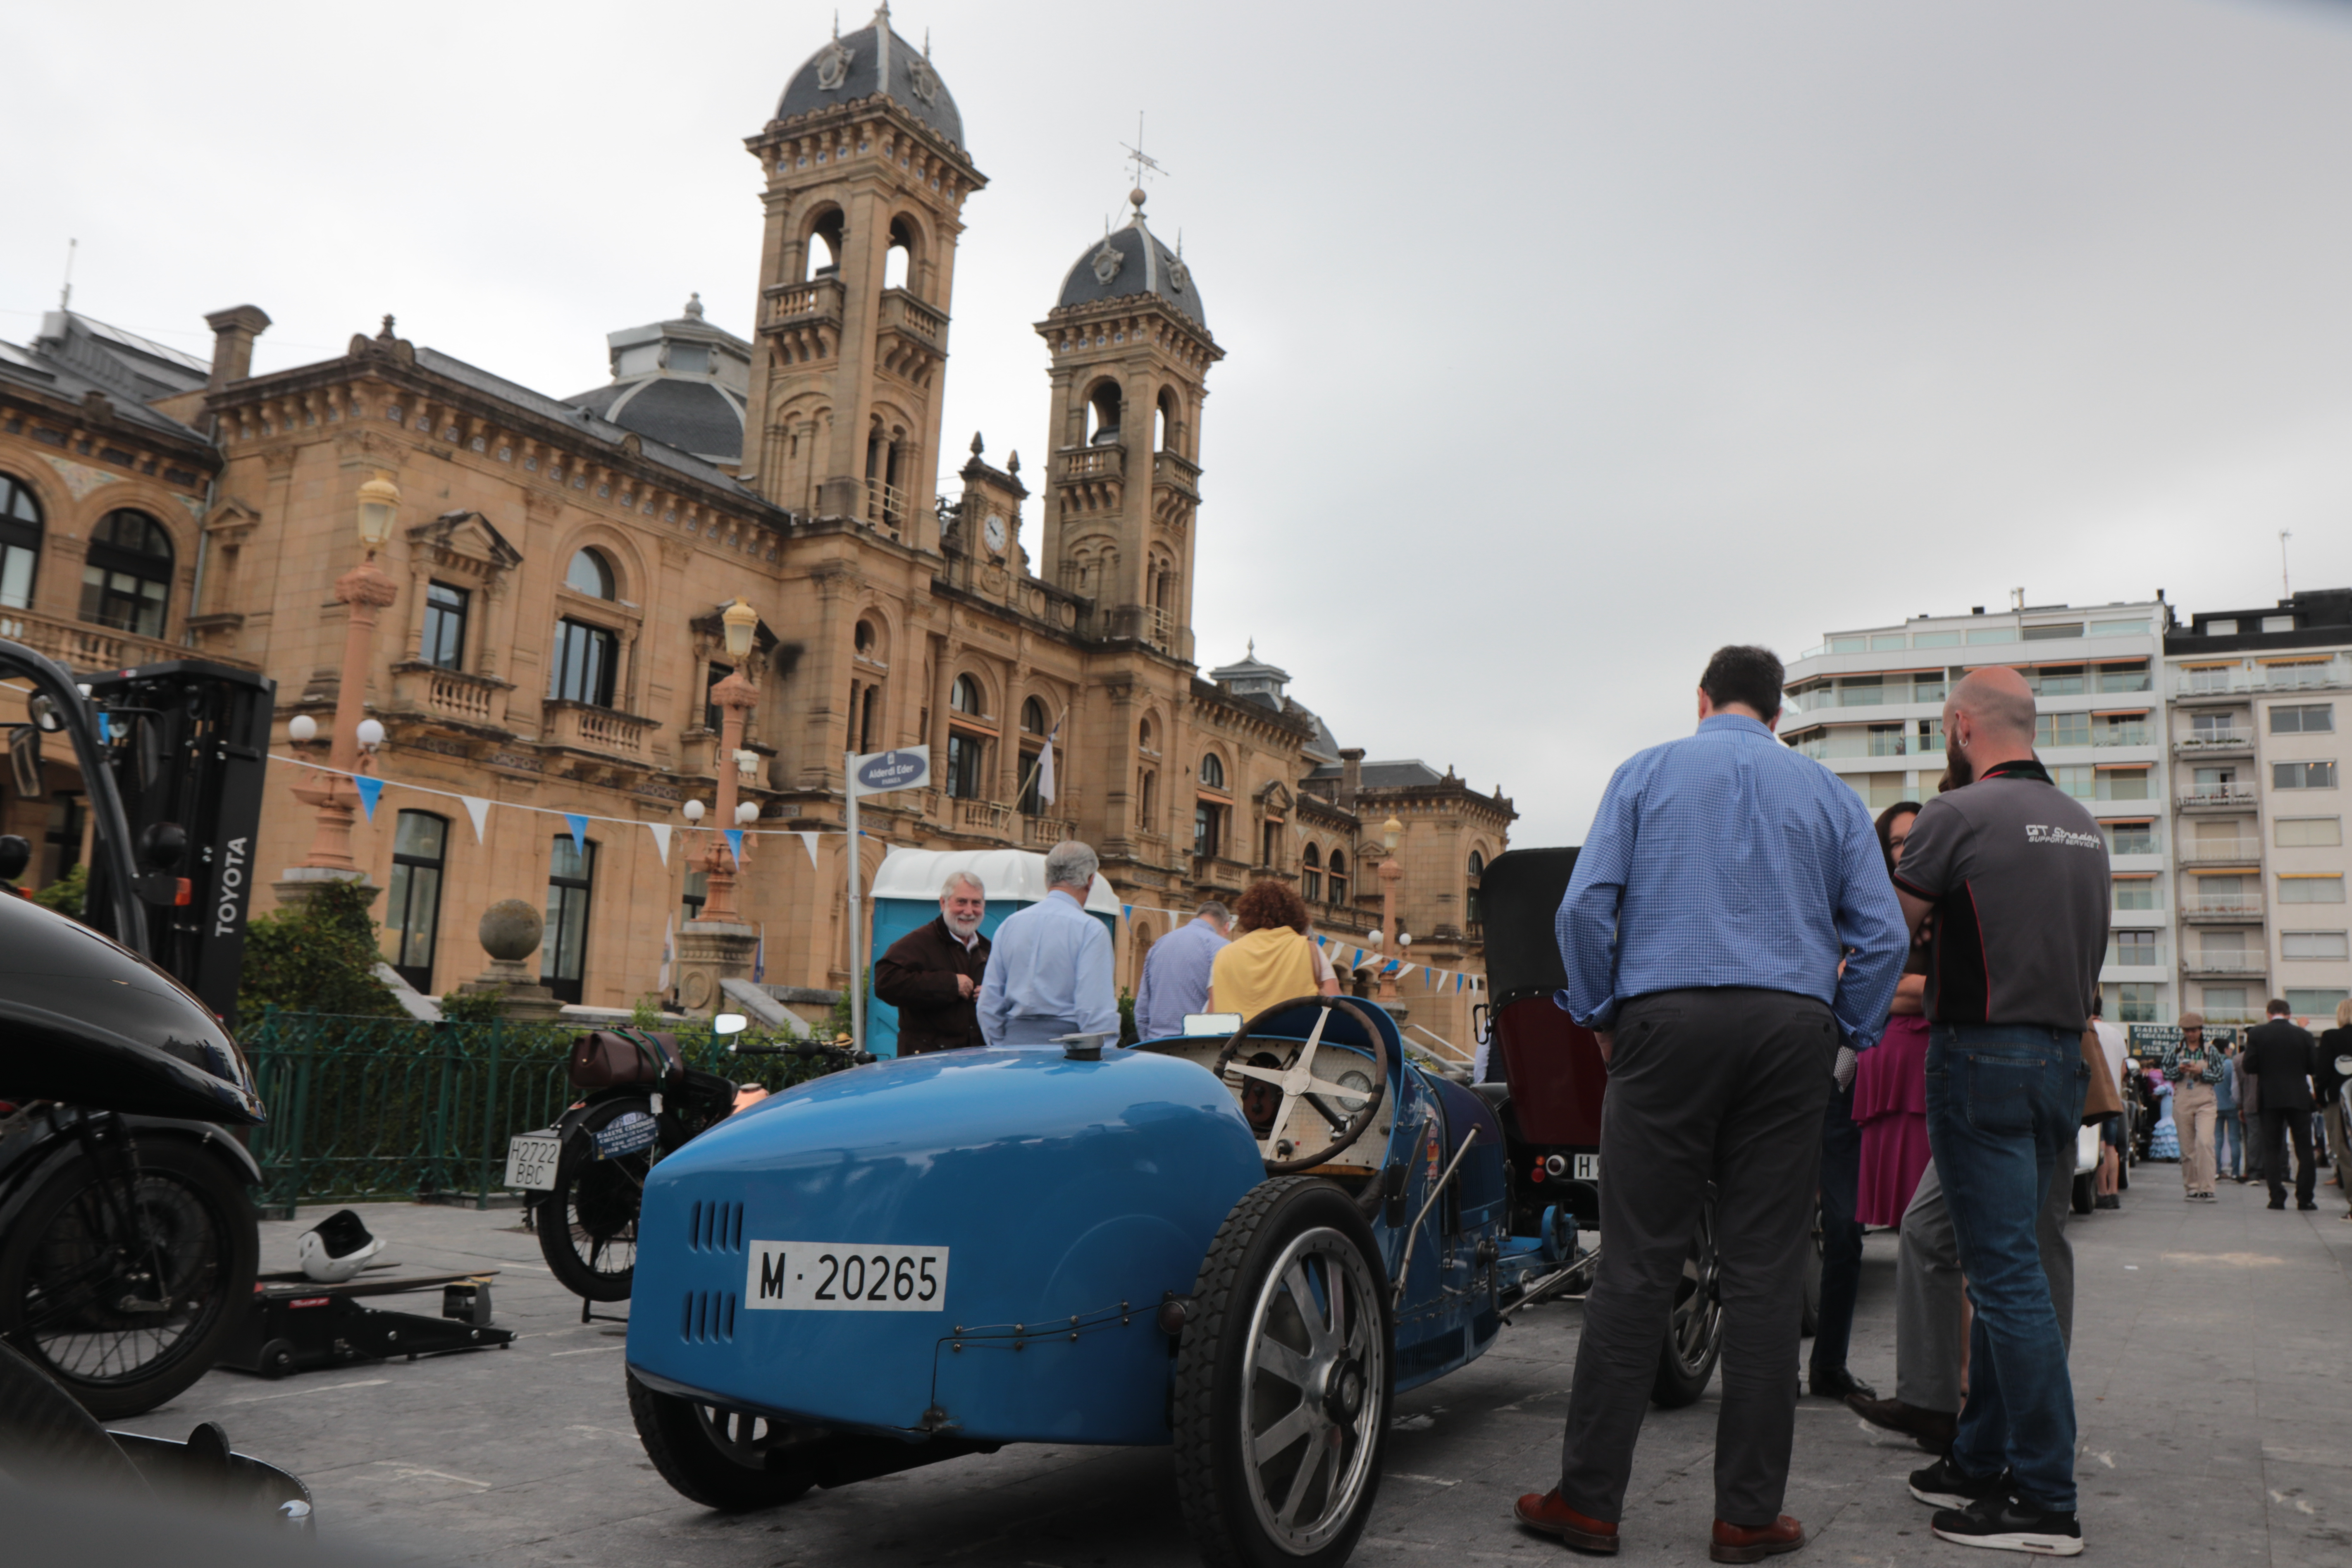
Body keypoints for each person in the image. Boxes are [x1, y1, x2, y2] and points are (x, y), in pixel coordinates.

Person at [1517, 644, 1904, 1564]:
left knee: (1635, 1264)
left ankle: (1589, 1502)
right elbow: (1882, 936)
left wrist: (1603, 1014)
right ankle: (1745, 1515)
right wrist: (1843, 1037)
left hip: (1665, 1022)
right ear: (1777, 711)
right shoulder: (1827, 795)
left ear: (1702, 699)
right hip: (1789, 1032)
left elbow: (1581, 913)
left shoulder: (1645, 772)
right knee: (1767, 1272)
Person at [1884, 666, 2105, 1556]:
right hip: (2061, 1059)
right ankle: (1976, 1460)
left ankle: (2045, 1497)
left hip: (1981, 1055)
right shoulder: (2085, 826)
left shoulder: (1957, 814)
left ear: (1960, 724)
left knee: (2002, 1276)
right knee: (2024, 1258)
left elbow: (1887, 923)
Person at [1853, 802, 1932, 1230]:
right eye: (1897, 842)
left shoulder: (1959, 904)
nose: (1906, 851)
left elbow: (1964, 990)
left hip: (1935, 1069)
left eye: (1915, 839)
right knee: (1914, 1230)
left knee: (1939, 1230)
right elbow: (1853, 990)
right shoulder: (1868, 911)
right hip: (1880, 1074)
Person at [975, 841, 1119, 1048]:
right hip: (1069, 1055)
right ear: (1090, 880)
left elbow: (988, 1005)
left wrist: (1002, 1047)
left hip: (1013, 1049)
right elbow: (1095, 1010)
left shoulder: (1010, 925)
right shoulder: (1091, 930)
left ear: (1047, 878)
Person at [872, 870, 993, 1055]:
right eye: (961, 902)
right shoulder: (919, 943)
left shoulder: (988, 949)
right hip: (927, 1065)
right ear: (943, 903)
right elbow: (885, 983)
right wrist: (950, 985)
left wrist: (995, 995)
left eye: (976, 903)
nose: (969, 911)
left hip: (975, 1063)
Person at [1207, 881, 1339, 1020]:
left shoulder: (1224, 954)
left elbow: (1212, 1014)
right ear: (1295, 913)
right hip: (1296, 1039)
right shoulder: (1309, 950)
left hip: (1237, 1040)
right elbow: (1338, 1005)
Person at [2241, 997, 2319, 1210]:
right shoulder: (2304, 1035)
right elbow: (2313, 1067)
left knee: (2272, 1147)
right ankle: (2305, 1198)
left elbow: (2249, 1065)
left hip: (2271, 1097)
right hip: (2299, 1097)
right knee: (2304, 1149)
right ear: (2289, 1014)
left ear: (2268, 1014)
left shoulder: (2257, 1034)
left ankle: (2277, 1197)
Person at [1132, 900, 1231, 1039]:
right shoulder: (1223, 948)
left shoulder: (1160, 944)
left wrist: (1147, 1043)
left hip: (1156, 1045)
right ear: (1227, 926)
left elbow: (1142, 1009)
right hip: (1198, 1048)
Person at [2165, 1015, 2222, 1201]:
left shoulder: (2210, 1050)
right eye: (2187, 1031)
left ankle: (2208, 1187)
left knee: (2205, 1143)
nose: (2191, 1034)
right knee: (2187, 1147)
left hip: (2205, 1099)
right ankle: (2192, 1187)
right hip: (2183, 1099)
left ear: (2201, 1030)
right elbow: (2166, 1072)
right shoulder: (2174, 1050)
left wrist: (2201, 1072)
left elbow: (2219, 1074)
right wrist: (2179, 1071)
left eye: (2194, 1030)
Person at [2091, 994, 2128, 1210]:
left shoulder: (2087, 1032)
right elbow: (2124, 1068)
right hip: (2114, 1097)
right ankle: (2114, 1192)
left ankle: (2102, 1193)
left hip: (2095, 1097)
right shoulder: (2116, 1034)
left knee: (2099, 1145)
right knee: (2112, 1147)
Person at [2320, 1001, 2352, 1219]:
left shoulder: (2331, 1037)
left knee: (2344, 1151)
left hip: (2338, 1101)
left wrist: (2319, 1096)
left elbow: (2322, 1071)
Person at [2213, 1035, 2243, 1185]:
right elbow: (2237, 1086)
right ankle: (2236, 1172)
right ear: (2226, 1050)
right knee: (2234, 1139)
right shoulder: (2232, 1065)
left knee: (2217, 1140)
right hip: (2232, 1106)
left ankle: (2217, 1171)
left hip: (2215, 1106)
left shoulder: (2210, 1065)